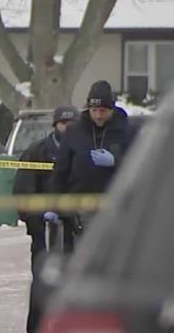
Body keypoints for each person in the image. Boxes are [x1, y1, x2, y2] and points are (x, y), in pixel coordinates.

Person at [48, 80, 132, 232]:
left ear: (112, 109)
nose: (98, 116)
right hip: (81, 206)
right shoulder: (74, 132)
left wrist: (116, 161)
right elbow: (60, 171)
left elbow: (142, 165)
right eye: (94, 110)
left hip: (117, 206)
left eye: (102, 111)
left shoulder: (127, 131)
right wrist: (53, 206)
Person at [13, 105, 78, 273]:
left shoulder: (84, 151)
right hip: (44, 226)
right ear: (55, 125)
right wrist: (37, 218)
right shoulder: (36, 152)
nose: (68, 128)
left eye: (72, 123)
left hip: (77, 225)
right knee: (44, 272)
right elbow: (23, 190)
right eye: (63, 123)